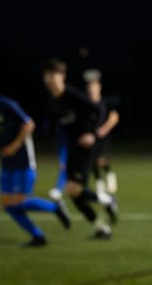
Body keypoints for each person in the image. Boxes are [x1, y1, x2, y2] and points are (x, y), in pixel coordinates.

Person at [0, 67, 70, 247]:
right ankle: (38, 236)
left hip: (23, 160)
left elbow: (29, 124)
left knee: (20, 202)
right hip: (6, 162)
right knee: (8, 204)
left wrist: (14, 146)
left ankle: (55, 207)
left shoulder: (7, 104)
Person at [43, 58, 118, 239]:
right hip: (72, 148)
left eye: (54, 75)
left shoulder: (72, 95)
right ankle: (102, 228)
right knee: (74, 195)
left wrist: (91, 133)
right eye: (47, 75)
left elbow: (96, 110)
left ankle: (108, 200)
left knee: (74, 189)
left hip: (84, 149)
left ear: (62, 76)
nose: (50, 79)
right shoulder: (53, 100)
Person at [84, 69, 120, 196]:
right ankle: (99, 183)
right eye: (89, 86)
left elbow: (114, 117)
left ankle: (109, 173)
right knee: (91, 160)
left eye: (94, 86)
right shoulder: (86, 103)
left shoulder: (105, 102)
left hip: (103, 136)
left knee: (100, 159)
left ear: (99, 87)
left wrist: (104, 129)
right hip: (90, 136)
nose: (91, 89)